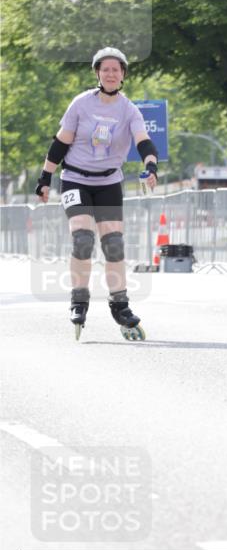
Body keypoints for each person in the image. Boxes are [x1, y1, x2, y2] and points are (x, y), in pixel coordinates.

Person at [35, 48, 159, 339]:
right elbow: (60, 143)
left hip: (108, 182)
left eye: (117, 69)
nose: (111, 74)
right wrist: (44, 178)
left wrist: (150, 167)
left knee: (113, 244)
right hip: (75, 179)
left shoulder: (129, 110)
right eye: (106, 69)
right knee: (82, 238)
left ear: (123, 74)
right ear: (98, 73)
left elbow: (144, 142)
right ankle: (79, 300)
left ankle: (120, 304)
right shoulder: (80, 104)